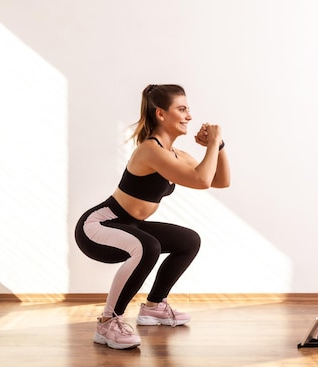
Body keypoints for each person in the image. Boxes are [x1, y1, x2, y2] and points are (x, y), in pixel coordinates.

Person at [74, 84, 231, 349]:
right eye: (181, 109)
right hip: (98, 226)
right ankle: (107, 323)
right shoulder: (150, 150)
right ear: (161, 114)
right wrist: (213, 142)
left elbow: (220, 180)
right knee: (148, 246)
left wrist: (219, 145)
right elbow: (202, 180)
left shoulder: (176, 154)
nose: (189, 117)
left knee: (188, 240)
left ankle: (154, 307)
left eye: (188, 110)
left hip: (128, 225)